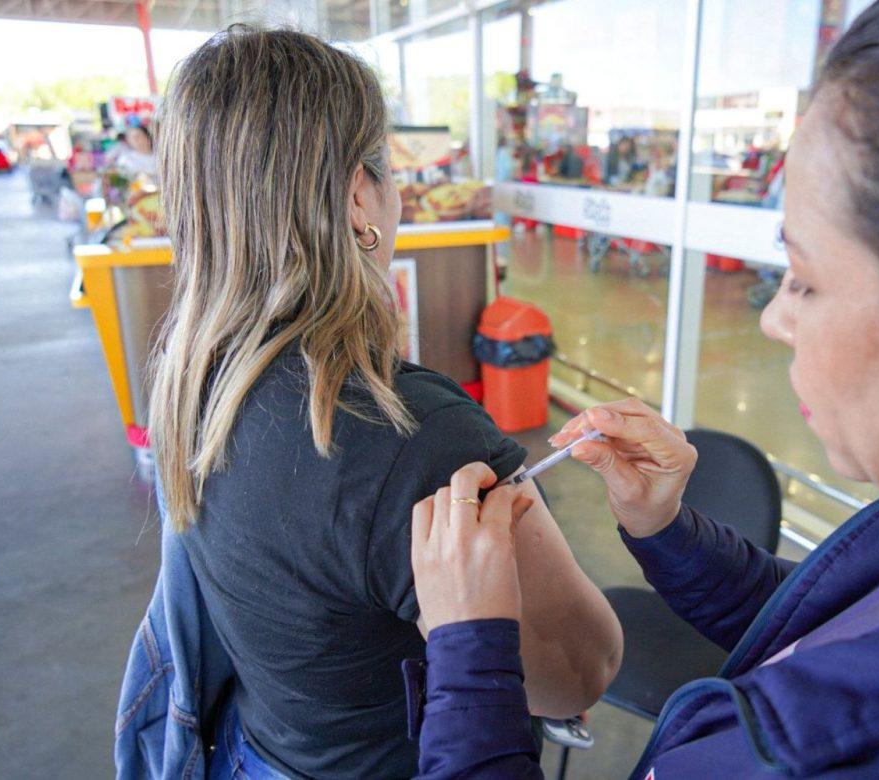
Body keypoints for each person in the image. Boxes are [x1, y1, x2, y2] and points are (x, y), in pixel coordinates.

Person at [408, 0, 879, 776]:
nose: (772, 321)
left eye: (802, 280)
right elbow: (812, 627)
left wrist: (469, 654)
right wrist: (666, 527)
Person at [118, 26, 621, 780]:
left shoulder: (196, 380)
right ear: (360, 193)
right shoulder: (409, 436)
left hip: (250, 752)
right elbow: (579, 671)